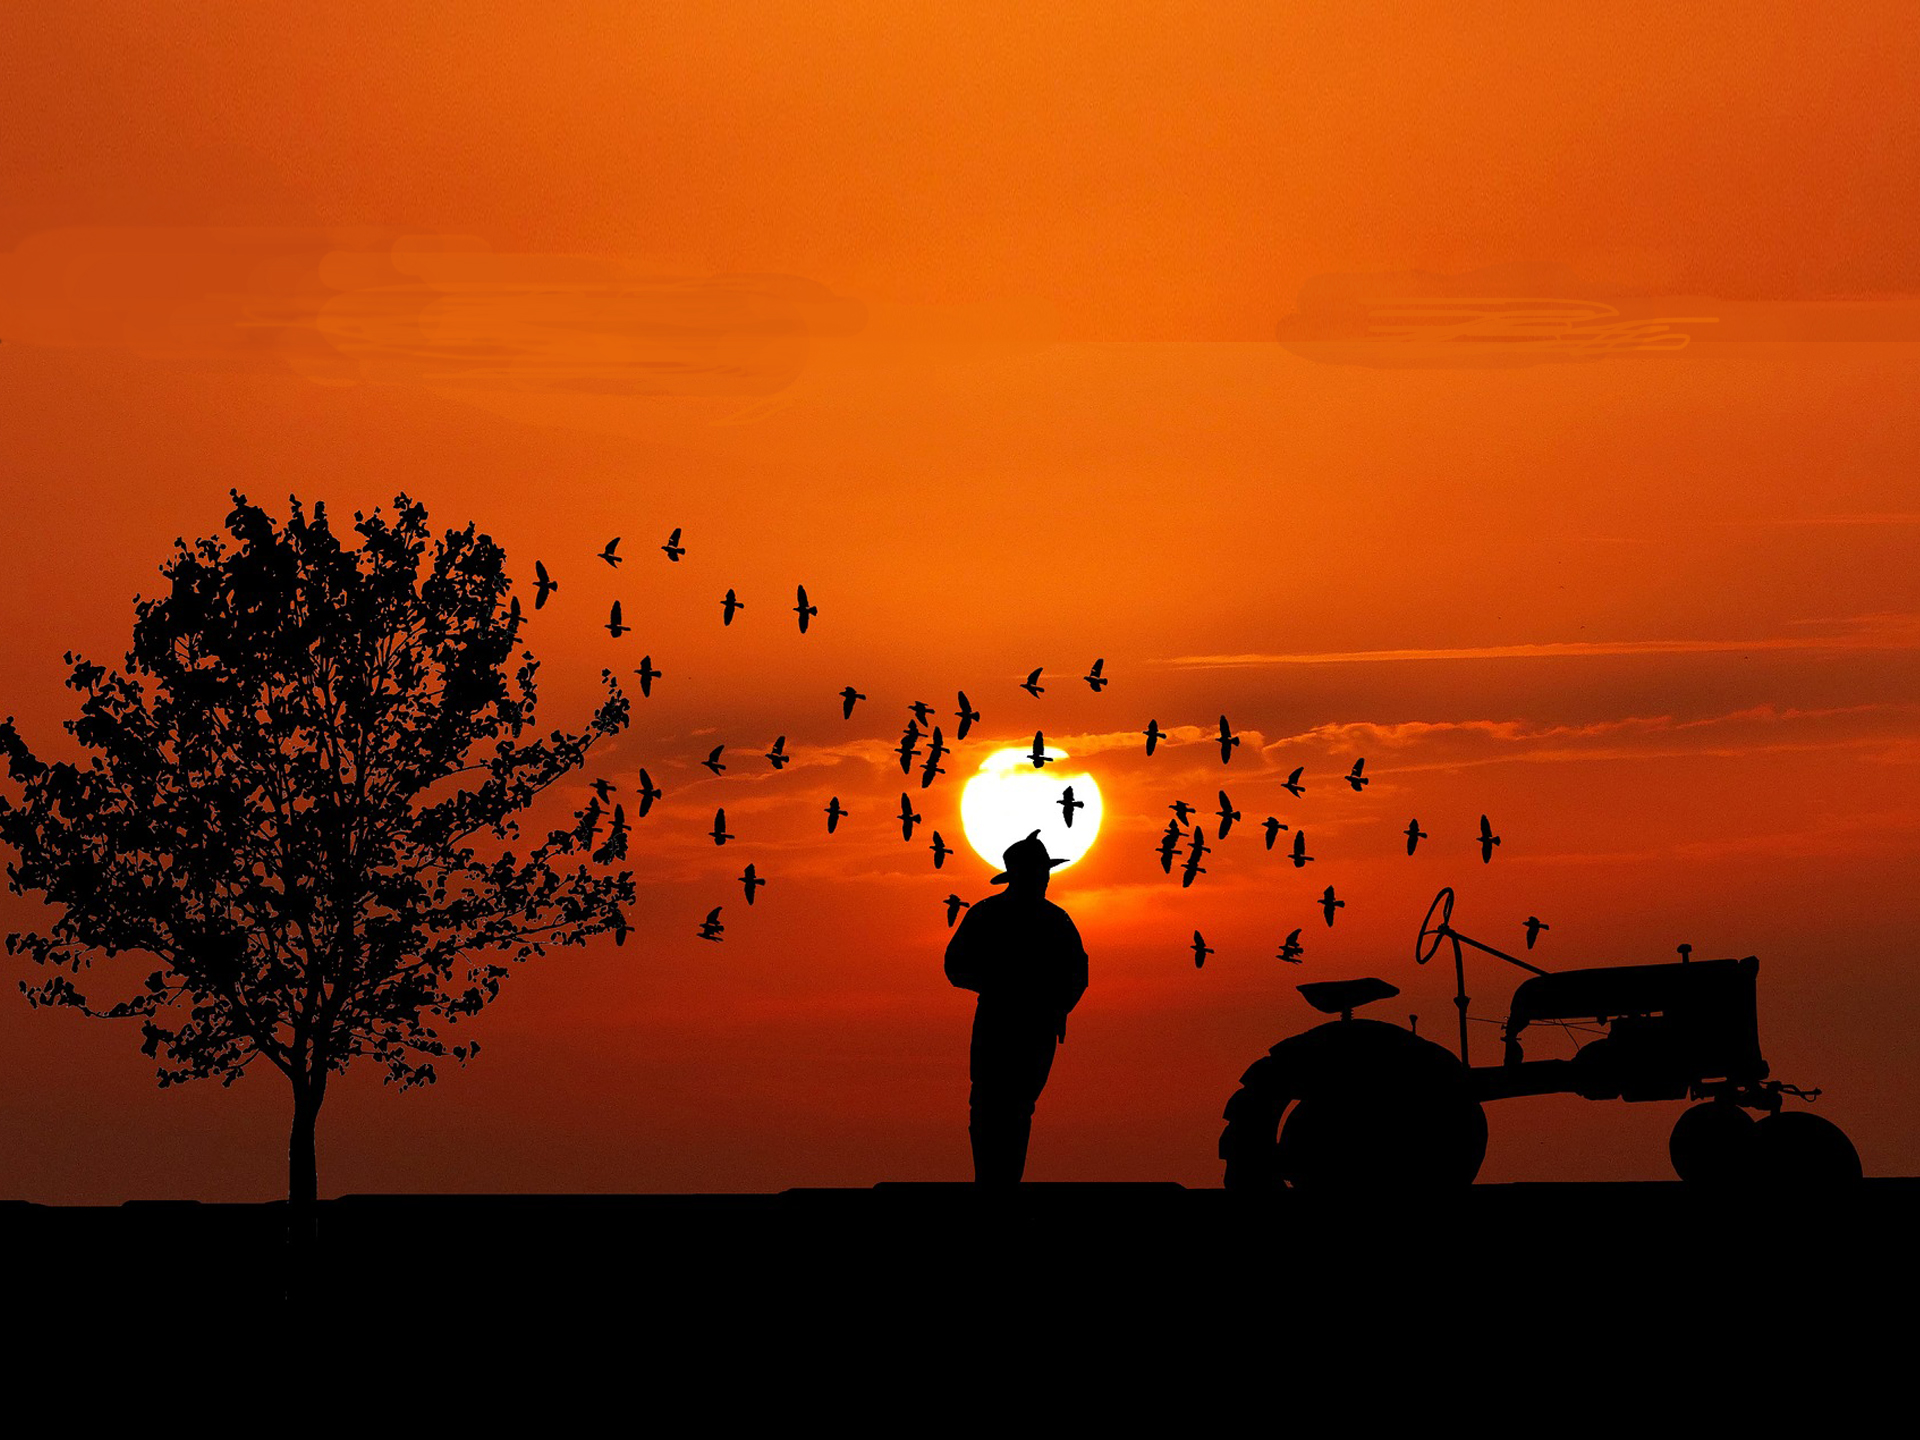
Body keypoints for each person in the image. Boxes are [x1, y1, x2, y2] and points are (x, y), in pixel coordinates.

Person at [944, 830, 1088, 1185]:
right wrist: (1007, 986)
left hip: (1030, 1024)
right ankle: (994, 1184)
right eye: (1040, 873)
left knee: (1012, 1106)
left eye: (1046, 873)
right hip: (1004, 1023)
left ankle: (1002, 1184)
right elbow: (955, 967)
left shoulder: (1048, 919)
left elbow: (1077, 975)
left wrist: (1056, 1006)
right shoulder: (1044, 919)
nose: (1045, 880)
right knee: (994, 1106)